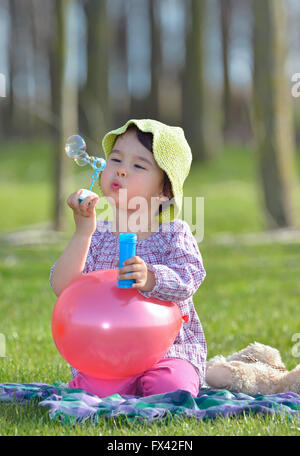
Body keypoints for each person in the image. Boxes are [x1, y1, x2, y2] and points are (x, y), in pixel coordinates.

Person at [49, 119, 207, 398]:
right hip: (106, 355)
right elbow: (62, 287)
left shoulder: (174, 233)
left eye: (138, 165)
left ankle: (173, 378)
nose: (121, 169)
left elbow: (189, 277)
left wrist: (151, 278)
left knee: (170, 390)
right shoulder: (97, 236)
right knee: (92, 392)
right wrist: (83, 232)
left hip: (169, 352)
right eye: (116, 159)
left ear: (164, 191)